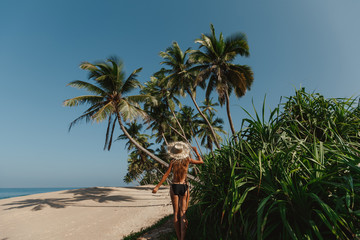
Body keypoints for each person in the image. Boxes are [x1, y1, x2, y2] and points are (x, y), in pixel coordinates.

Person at [152, 141, 203, 240]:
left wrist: (157, 187)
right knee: (183, 212)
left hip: (174, 186)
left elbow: (166, 174)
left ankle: (179, 237)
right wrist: (196, 152)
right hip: (183, 186)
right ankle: (183, 238)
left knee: (175, 213)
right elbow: (201, 161)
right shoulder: (187, 160)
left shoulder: (173, 162)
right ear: (183, 152)